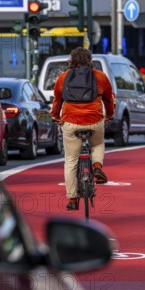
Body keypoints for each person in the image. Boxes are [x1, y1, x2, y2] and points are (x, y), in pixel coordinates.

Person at [51, 48, 115, 211]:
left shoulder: (63, 77)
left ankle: (72, 199)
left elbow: (57, 101)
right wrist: (109, 115)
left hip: (71, 122)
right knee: (97, 145)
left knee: (71, 161)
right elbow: (109, 100)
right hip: (94, 121)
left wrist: (56, 116)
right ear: (90, 60)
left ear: (71, 60)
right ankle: (97, 167)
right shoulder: (100, 76)